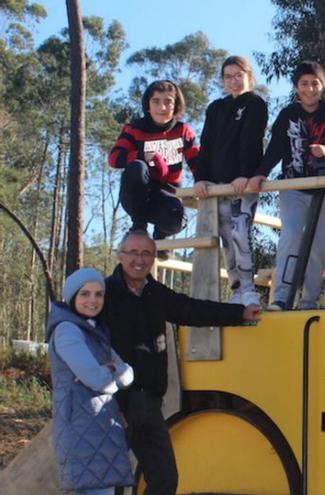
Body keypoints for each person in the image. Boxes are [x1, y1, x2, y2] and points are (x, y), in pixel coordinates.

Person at [103, 230, 262, 494]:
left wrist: (240, 313)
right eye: (132, 253)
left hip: (149, 403)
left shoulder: (154, 293)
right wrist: (113, 402)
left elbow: (192, 310)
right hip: (115, 403)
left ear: (154, 257)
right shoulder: (104, 294)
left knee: (164, 479)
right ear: (120, 256)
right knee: (113, 482)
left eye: (146, 253)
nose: (139, 260)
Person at [249, 61, 325, 311]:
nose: (309, 89)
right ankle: (282, 297)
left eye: (315, 83)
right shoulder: (288, 114)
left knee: (317, 247)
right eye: (304, 84)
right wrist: (260, 173)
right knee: (291, 237)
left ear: (322, 86)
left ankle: (308, 301)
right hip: (293, 187)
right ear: (296, 87)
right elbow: (274, 149)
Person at [47, 268, 135, 495]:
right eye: (85, 294)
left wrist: (113, 369)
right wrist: (112, 377)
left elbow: (128, 373)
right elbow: (98, 380)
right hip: (81, 426)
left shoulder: (93, 330)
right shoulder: (68, 330)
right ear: (72, 296)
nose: (93, 300)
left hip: (97, 425)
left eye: (98, 294)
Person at [194, 55, 268, 306]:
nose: (234, 81)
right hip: (218, 185)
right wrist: (201, 178)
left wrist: (246, 174)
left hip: (243, 185)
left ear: (249, 76)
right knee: (226, 236)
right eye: (228, 77)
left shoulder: (256, 104)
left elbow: (252, 141)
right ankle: (236, 289)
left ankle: (248, 288)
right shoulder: (216, 108)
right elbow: (206, 144)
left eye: (239, 75)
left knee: (240, 232)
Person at [108, 80, 200, 260]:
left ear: (175, 106)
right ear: (148, 105)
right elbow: (114, 159)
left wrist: (203, 182)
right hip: (136, 194)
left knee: (178, 220)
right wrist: (142, 155)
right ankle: (139, 228)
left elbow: (198, 162)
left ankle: (160, 236)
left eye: (168, 102)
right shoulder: (134, 129)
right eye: (156, 101)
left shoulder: (183, 131)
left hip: (165, 196)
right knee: (137, 167)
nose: (162, 107)